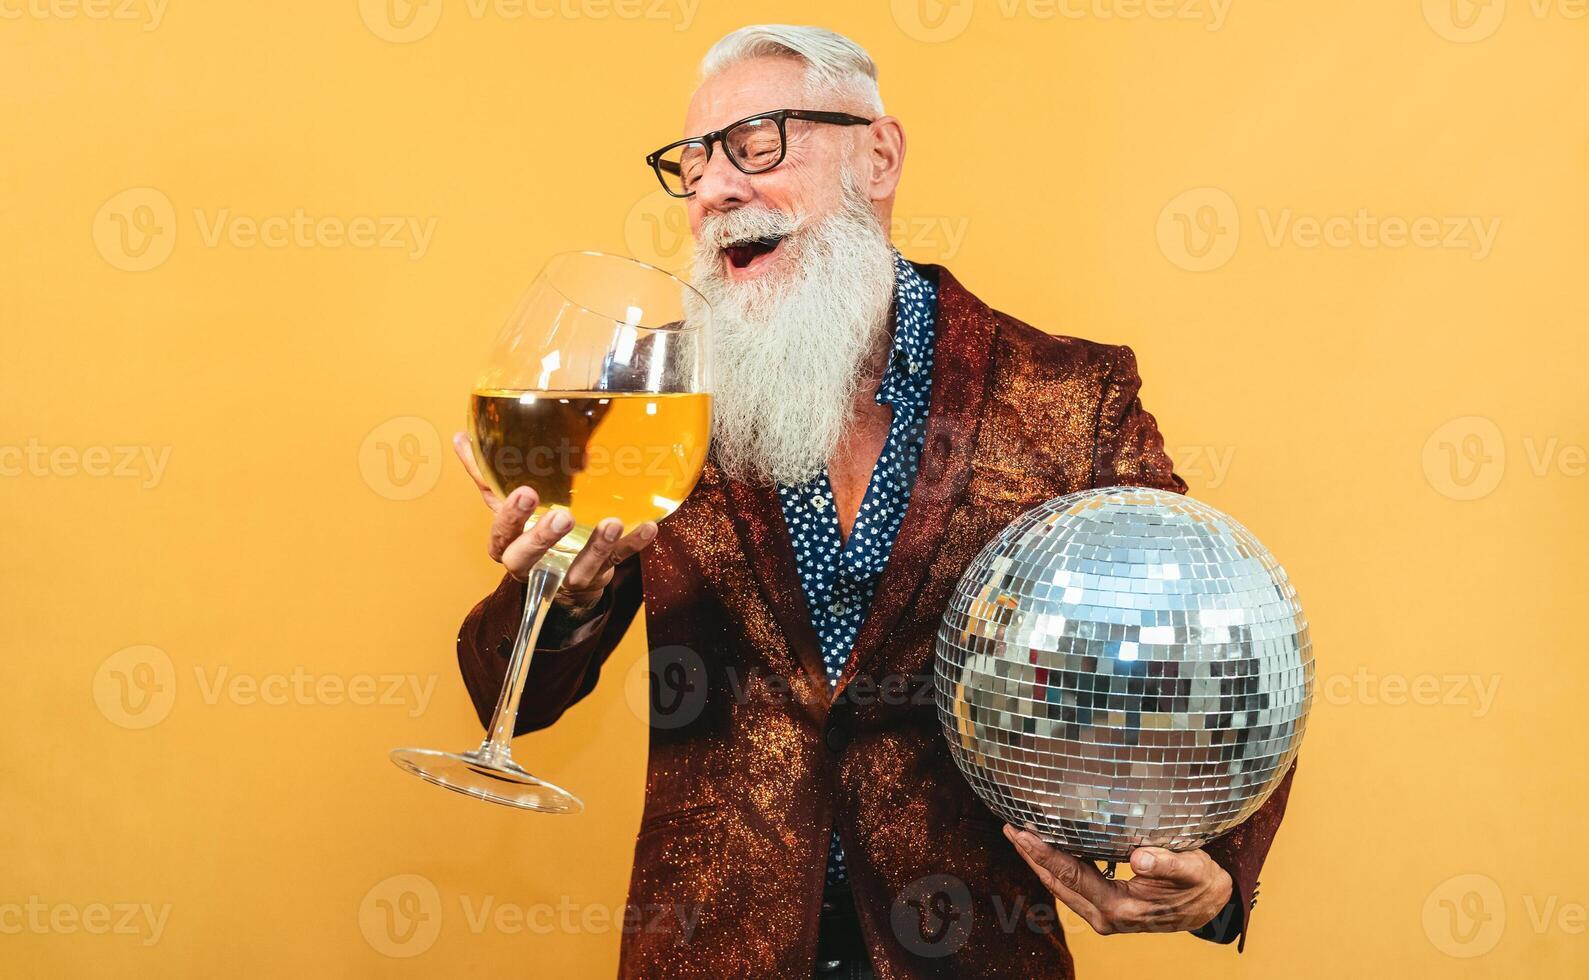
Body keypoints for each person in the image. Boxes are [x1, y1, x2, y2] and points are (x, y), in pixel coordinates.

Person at [453, 24, 1294, 979]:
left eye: (757, 143)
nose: (717, 189)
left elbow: (1225, 641)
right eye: (692, 163)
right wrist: (561, 596)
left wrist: (1216, 873)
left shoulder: (1066, 394)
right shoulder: (657, 394)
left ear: (879, 154)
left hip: (973, 951)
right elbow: (506, 701)